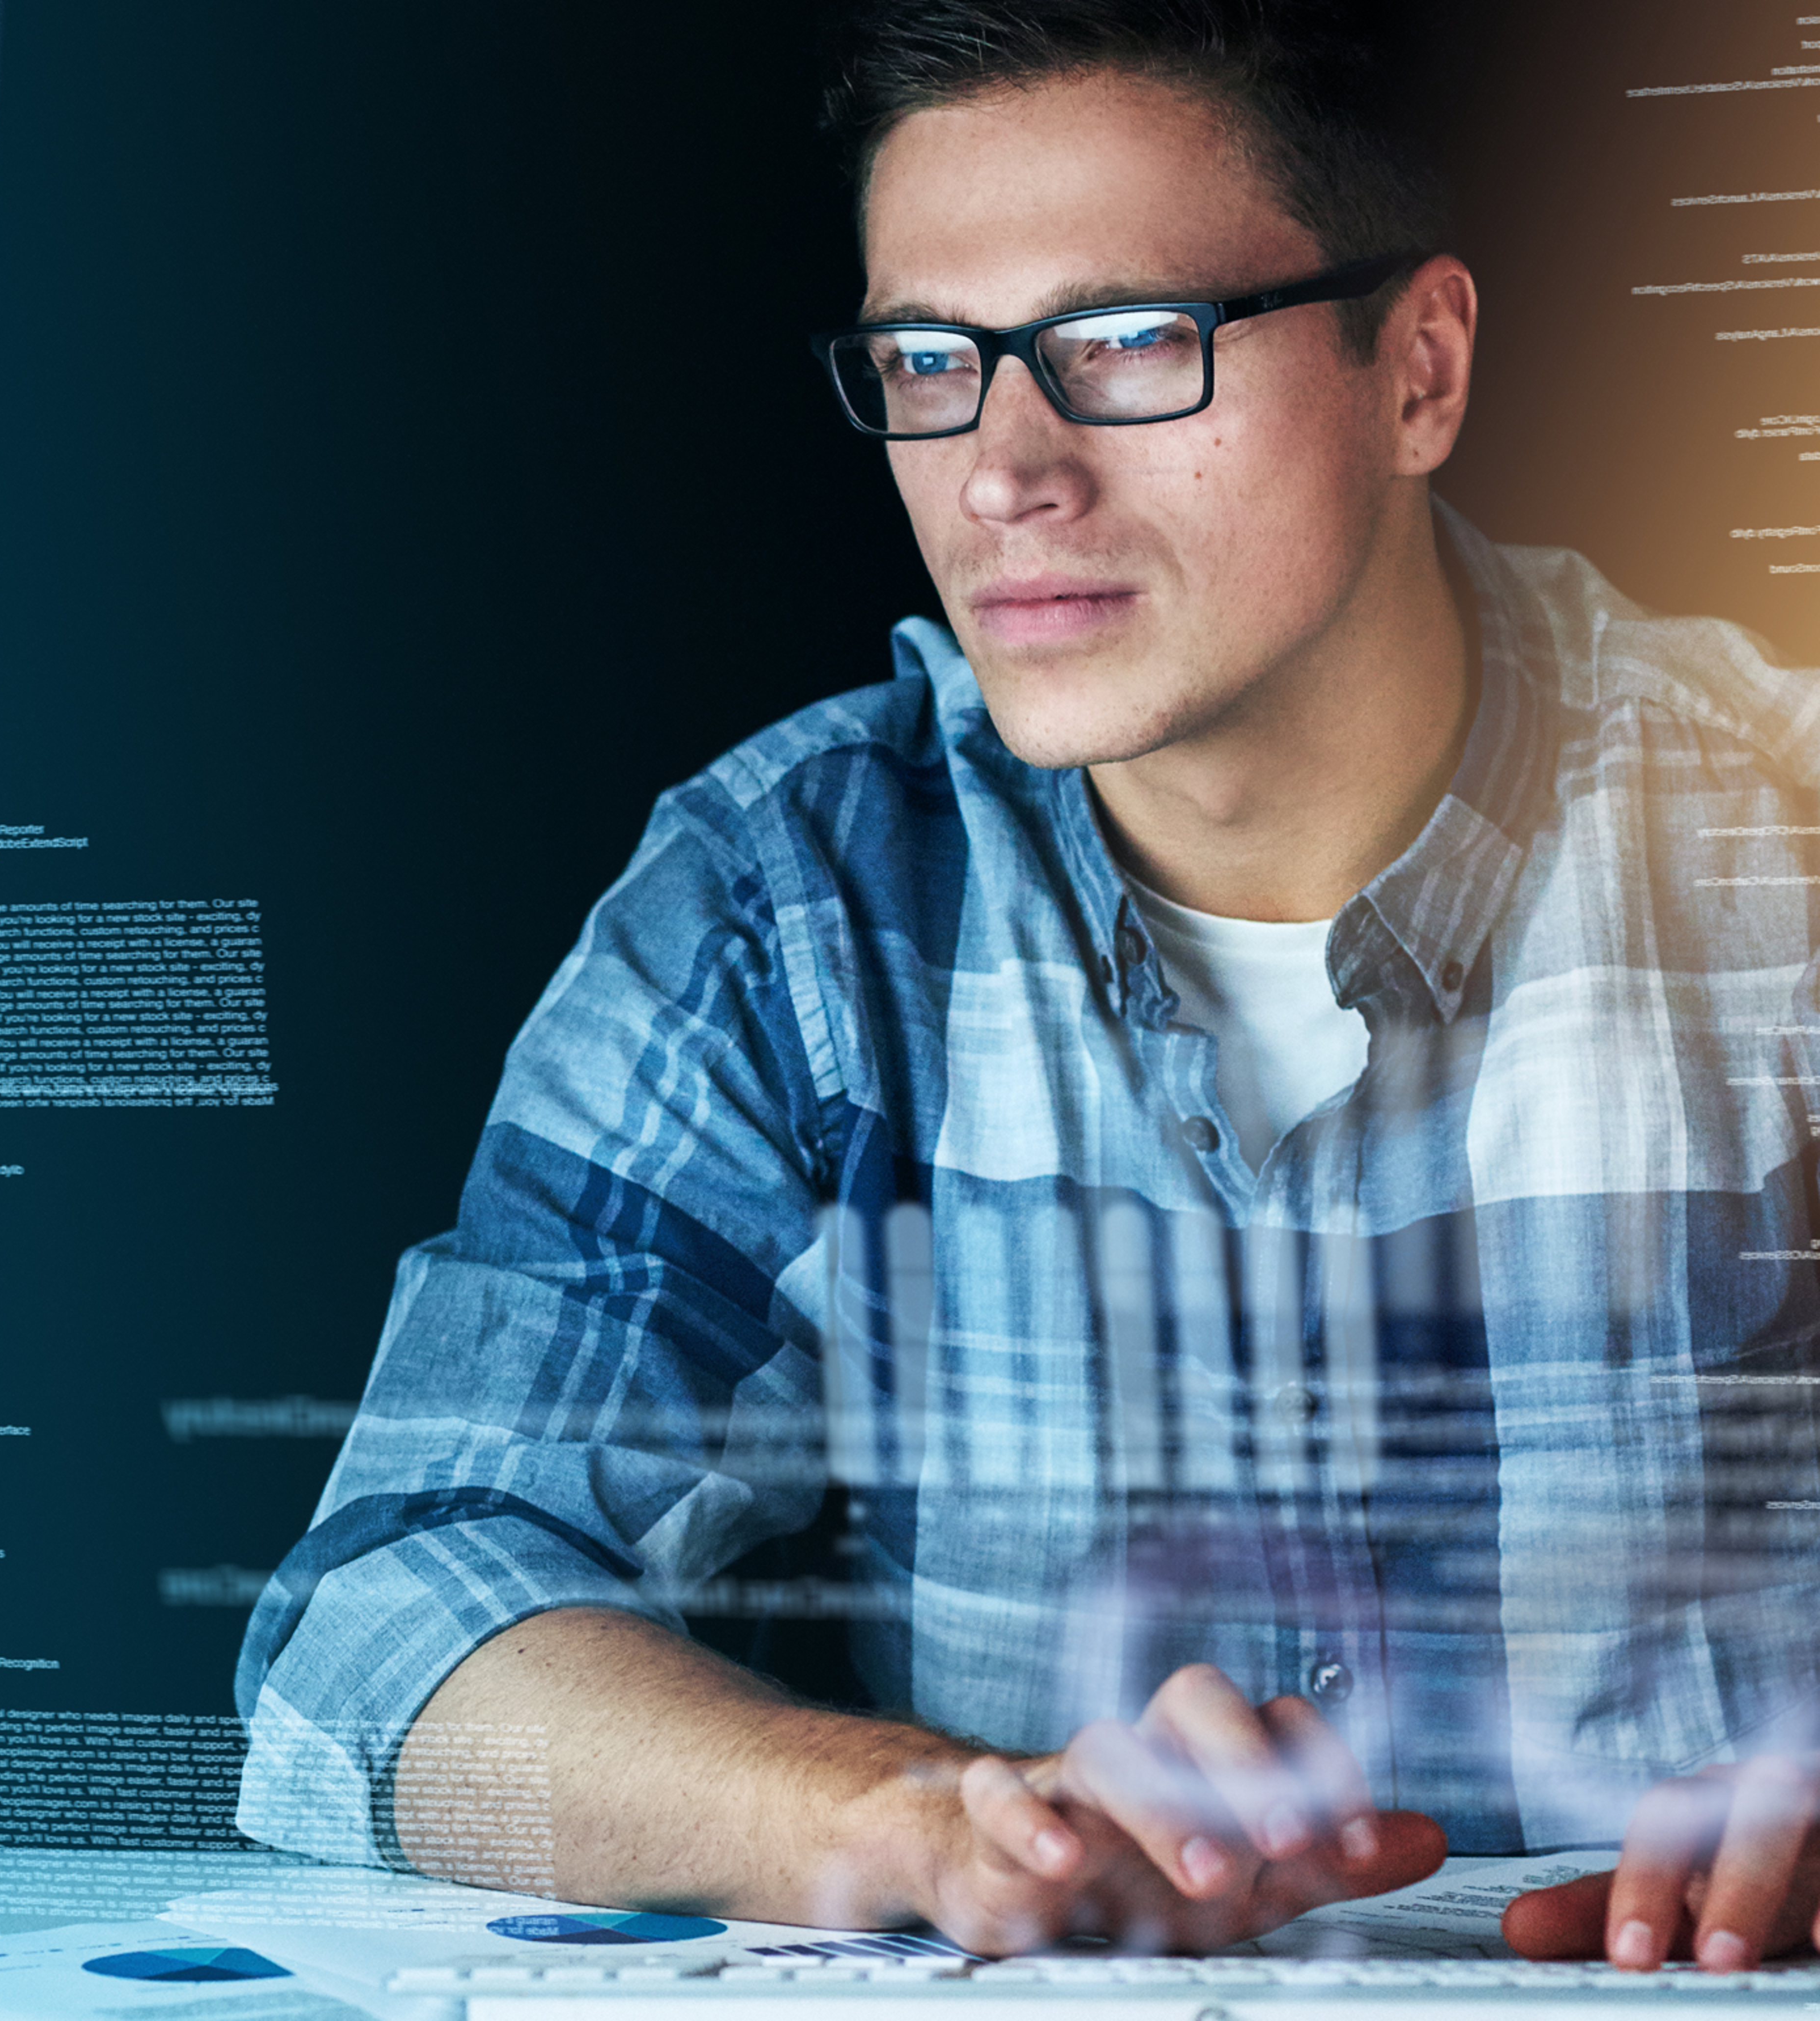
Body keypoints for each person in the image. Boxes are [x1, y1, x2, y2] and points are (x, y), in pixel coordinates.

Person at [235, 0, 1820, 1971]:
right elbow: (374, 1630)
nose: (1004, 472)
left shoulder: (1786, 835)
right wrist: (921, 1813)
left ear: (1418, 370)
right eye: (929, 360)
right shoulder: (787, 906)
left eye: (1133, 344)